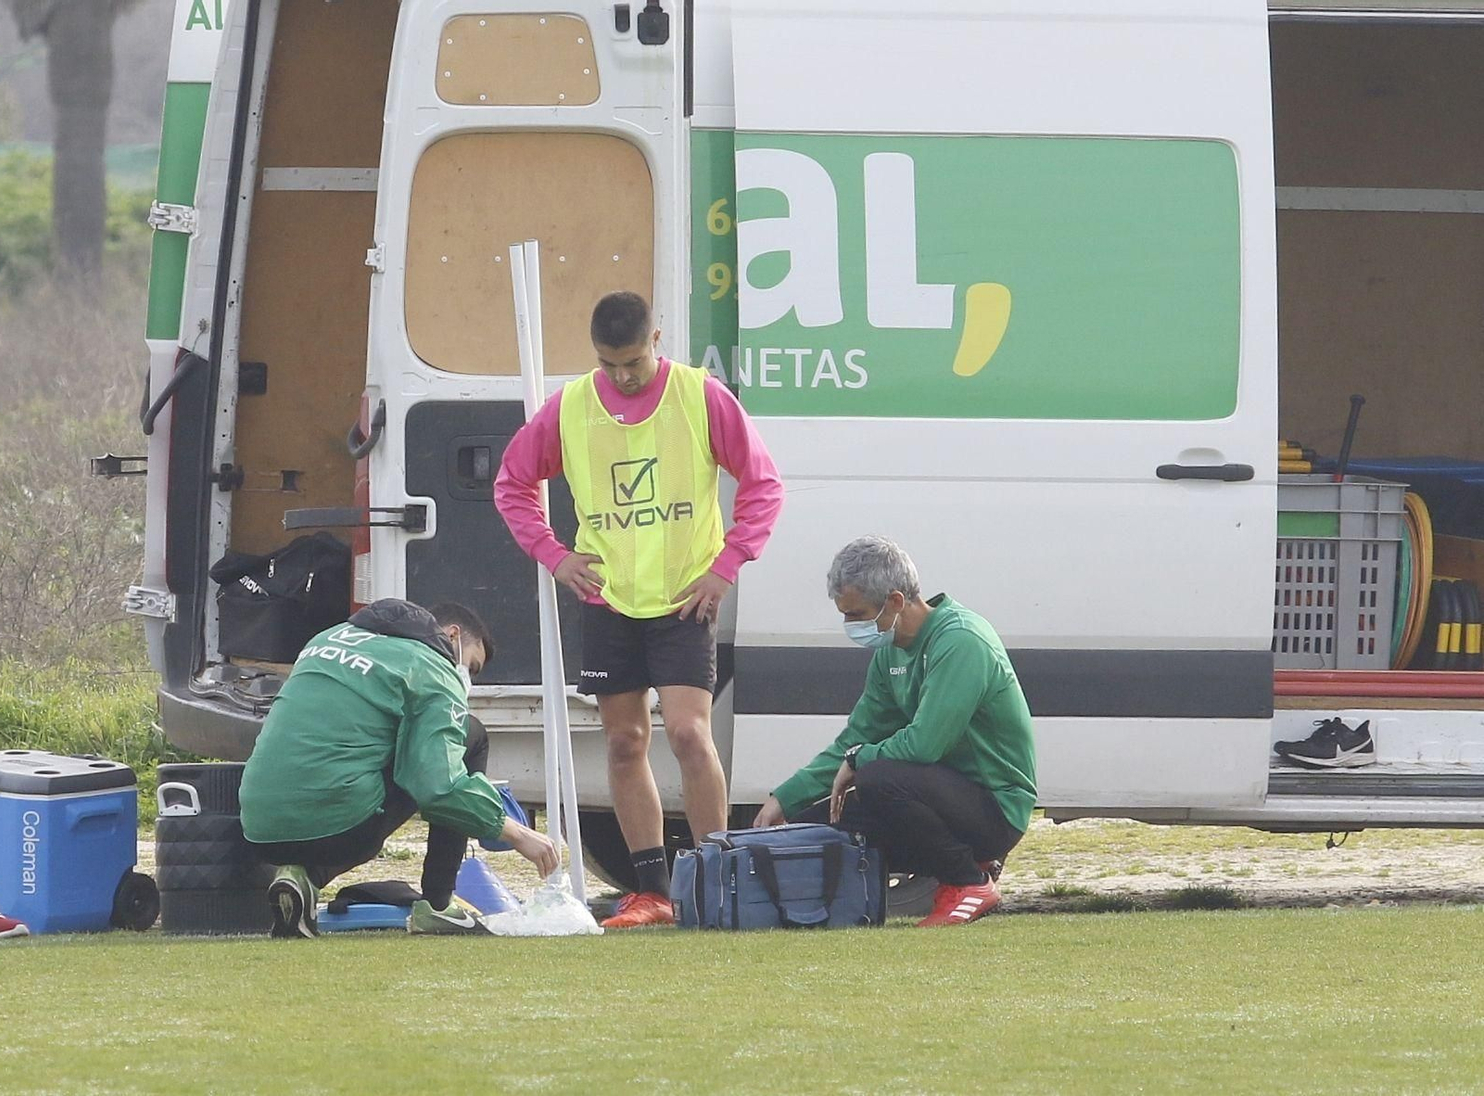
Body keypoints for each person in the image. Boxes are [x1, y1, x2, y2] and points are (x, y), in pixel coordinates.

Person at [495, 290, 784, 928]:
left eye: (632, 362)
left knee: (688, 733)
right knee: (625, 743)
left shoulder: (700, 396)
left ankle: (714, 878)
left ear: (658, 339)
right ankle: (652, 889)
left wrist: (724, 567)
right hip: (608, 600)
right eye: (609, 364)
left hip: (684, 599)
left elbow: (763, 483)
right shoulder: (570, 407)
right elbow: (513, 481)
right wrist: (554, 554)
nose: (622, 376)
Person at [751, 536, 1037, 927]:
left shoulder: (961, 641)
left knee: (880, 777)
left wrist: (859, 759)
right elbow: (855, 739)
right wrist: (784, 800)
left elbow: (923, 745)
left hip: (996, 808)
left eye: (857, 614)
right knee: (823, 824)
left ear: (897, 601)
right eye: (845, 615)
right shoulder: (890, 651)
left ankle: (969, 881)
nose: (851, 626)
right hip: (942, 799)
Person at [239, 599, 559, 938]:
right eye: (473, 666)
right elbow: (439, 784)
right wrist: (517, 833)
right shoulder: (432, 666)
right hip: (340, 830)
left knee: (381, 752)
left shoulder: (327, 638)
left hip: (258, 829)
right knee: (469, 736)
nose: (469, 678)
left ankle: (300, 878)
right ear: (452, 636)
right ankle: (437, 906)